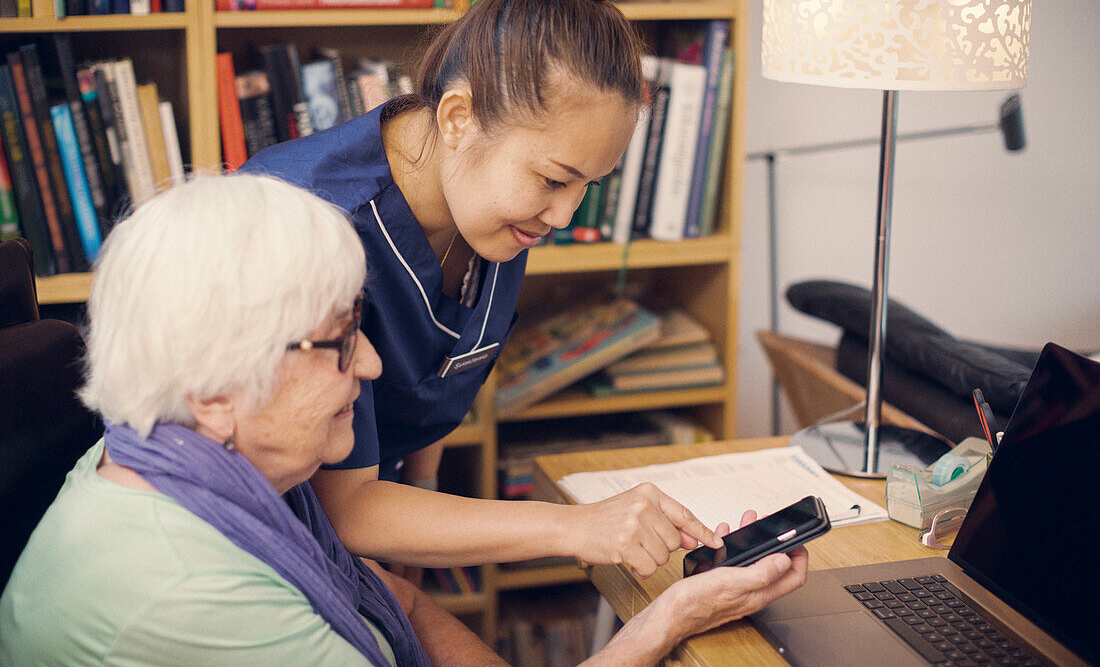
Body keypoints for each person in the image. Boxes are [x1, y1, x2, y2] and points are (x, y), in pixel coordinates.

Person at [0, 174, 807, 666]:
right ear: (214, 387)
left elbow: (406, 606)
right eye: (339, 342)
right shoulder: (191, 594)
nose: (374, 365)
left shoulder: (178, 457)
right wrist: (668, 620)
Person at [238, 0, 672, 570]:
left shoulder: (491, 205)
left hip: (376, 544)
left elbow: (437, 379)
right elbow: (348, 508)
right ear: (458, 119)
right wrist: (577, 529)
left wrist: (418, 524)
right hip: (272, 547)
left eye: (588, 185)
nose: (562, 215)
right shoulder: (311, 225)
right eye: (554, 180)